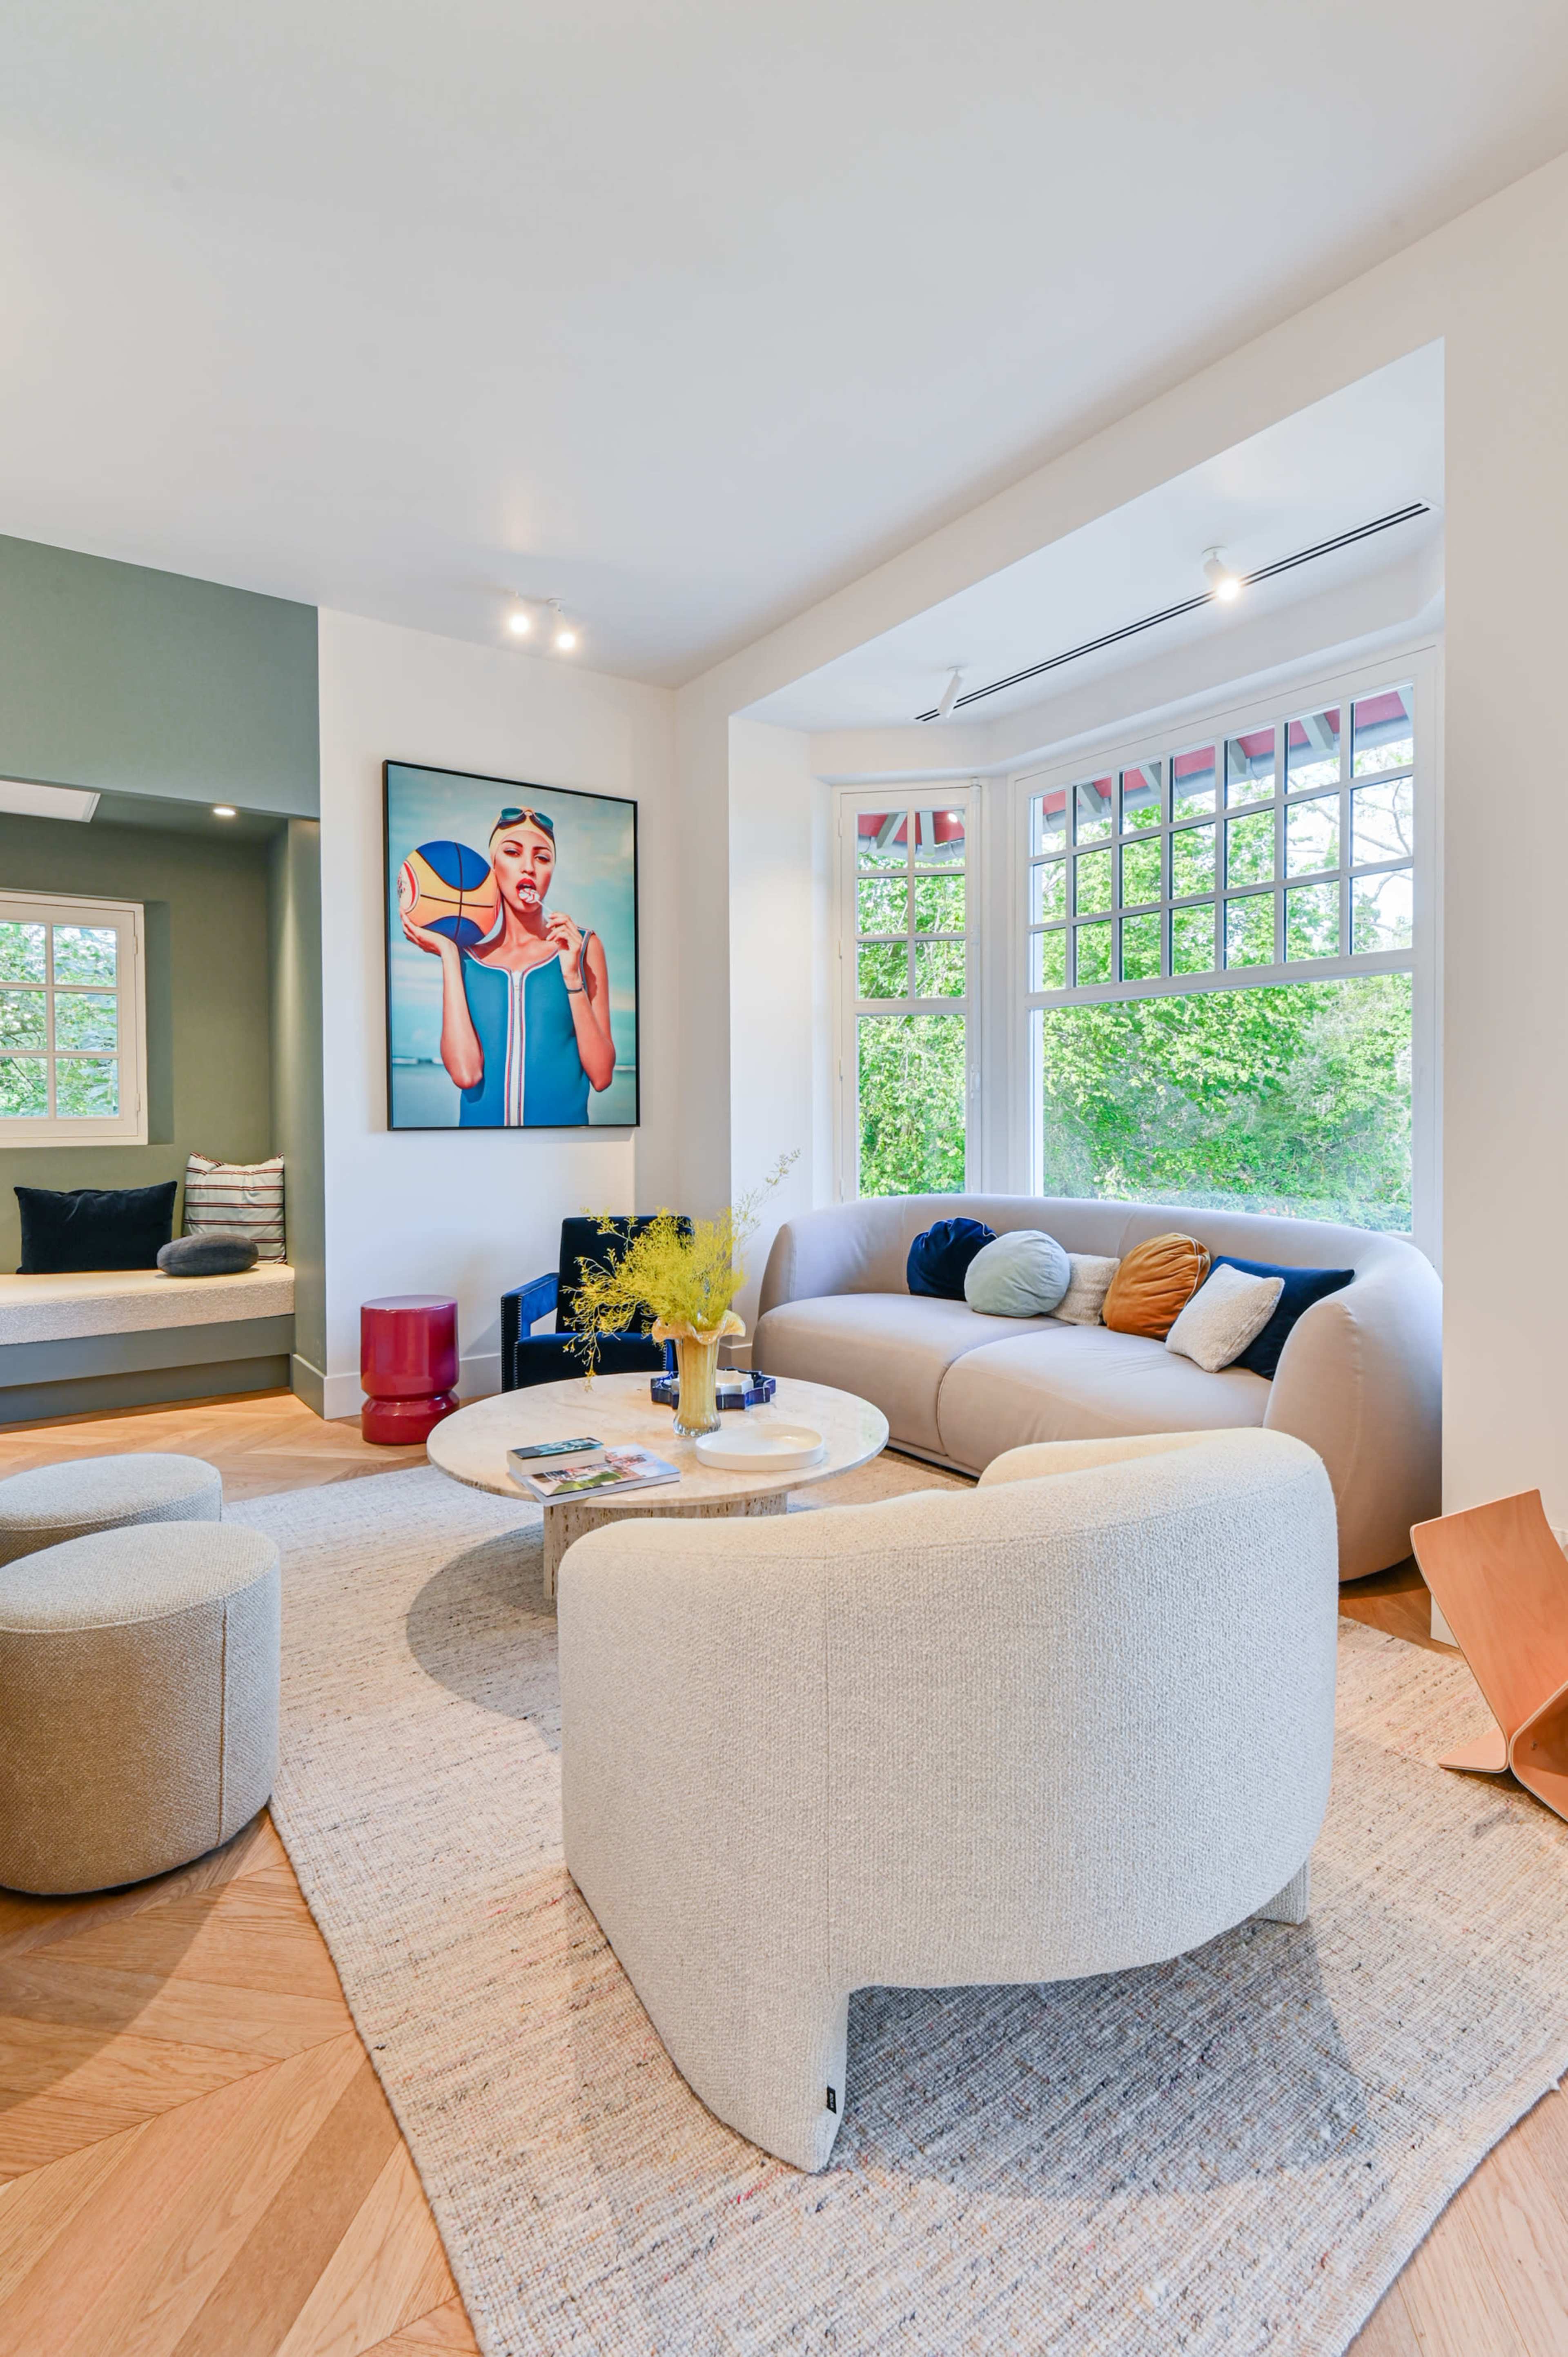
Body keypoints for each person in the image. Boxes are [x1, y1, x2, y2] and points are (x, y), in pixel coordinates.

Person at [402, 805, 615, 1125]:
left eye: (543, 858)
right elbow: (466, 1074)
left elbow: (601, 1076)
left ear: (552, 871)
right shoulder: (467, 958)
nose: (528, 867)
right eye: (513, 853)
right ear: (494, 866)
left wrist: (572, 976)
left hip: (564, 1155)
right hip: (482, 1157)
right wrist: (448, 954)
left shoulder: (583, 947)